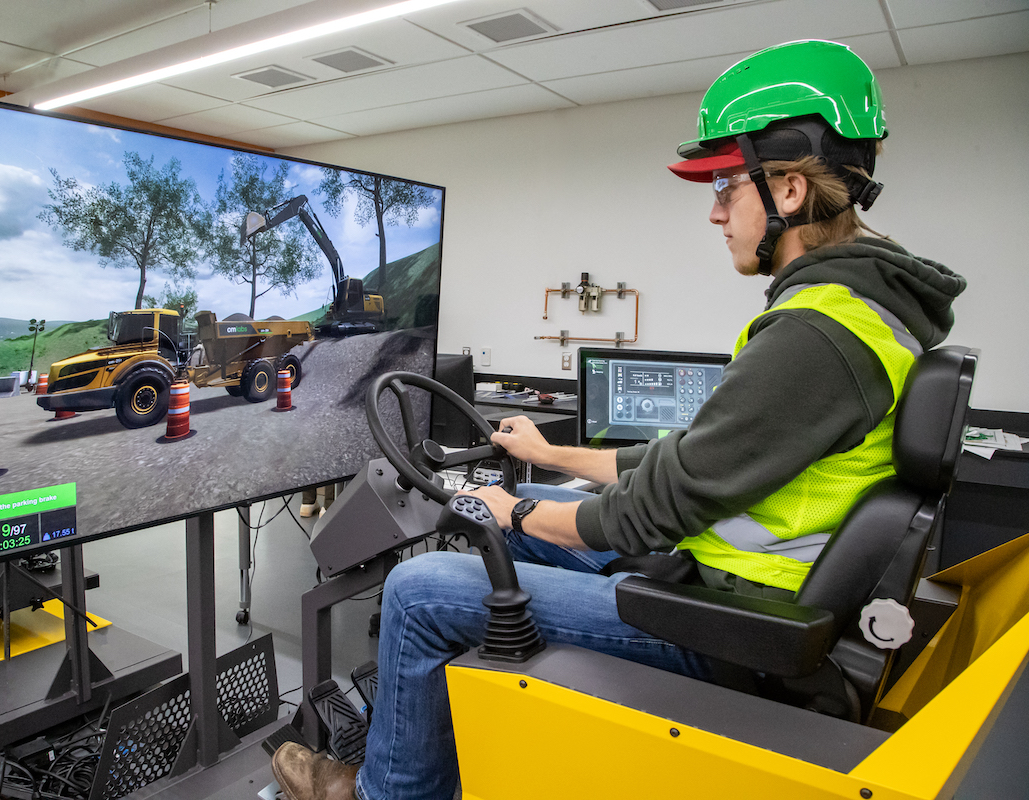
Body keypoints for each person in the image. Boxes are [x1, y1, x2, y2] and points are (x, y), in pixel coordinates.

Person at [269, 39, 966, 800]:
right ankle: (448, 733)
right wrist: (554, 459)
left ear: (789, 191)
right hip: (732, 581)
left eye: (726, 188)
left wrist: (519, 506)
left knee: (420, 589)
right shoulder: (859, 308)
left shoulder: (816, 331)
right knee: (512, 526)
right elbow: (695, 463)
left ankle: (385, 791)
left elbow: (659, 505)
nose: (713, 212)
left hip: (725, 622)